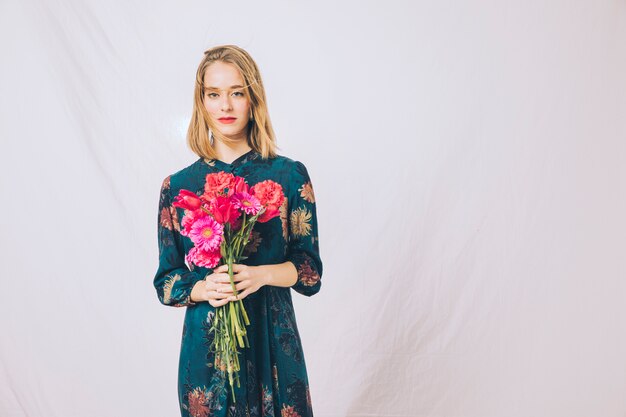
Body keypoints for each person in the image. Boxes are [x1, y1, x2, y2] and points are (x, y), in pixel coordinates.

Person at [153, 44, 323, 417]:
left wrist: (262, 274)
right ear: (201, 102)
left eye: (236, 93)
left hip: (272, 343)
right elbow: (166, 281)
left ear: (253, 98)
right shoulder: (178, 186)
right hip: (207, 352)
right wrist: (202, 287)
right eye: (214, 94)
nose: (225, 106)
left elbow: (309, 272)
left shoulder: (288, 176)